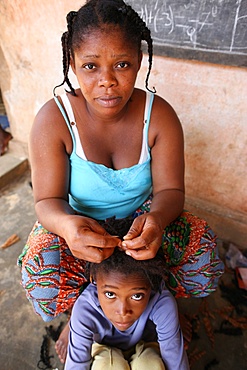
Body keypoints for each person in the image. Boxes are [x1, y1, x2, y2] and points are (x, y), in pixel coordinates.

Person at [17, 0, 224, 364]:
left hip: (141, 223)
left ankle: (163, 310)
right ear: (72, 65)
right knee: (41, 267)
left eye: (122, 65)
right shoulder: (54, 120)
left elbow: (171, 191)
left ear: (139, 62)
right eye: (90, 66)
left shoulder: (158, 116)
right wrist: (67, 227)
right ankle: (80, 315)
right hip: (80, 222)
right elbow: (46, 201)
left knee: (202, 248)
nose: (107, 81)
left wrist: (157, 220)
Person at [65, 248, 189, 370]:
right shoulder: (85, 308)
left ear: (151, 285)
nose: (123, 311)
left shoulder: (162, 302)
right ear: (94, 279)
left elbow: (175, 362)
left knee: (149, 365)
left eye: (137, 296)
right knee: (110, 367)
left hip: (147, 345)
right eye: (110, 294)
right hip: (103, 348)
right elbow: (77, 366)